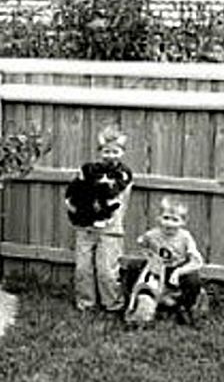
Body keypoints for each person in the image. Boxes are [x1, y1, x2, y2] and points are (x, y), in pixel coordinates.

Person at [65, 125, 133, 312]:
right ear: (100, 151)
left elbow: (111, 194)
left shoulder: (123, 175)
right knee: (83, 269)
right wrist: (76, 208)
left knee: (107, 271)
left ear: (122, 152)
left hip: (110, 229)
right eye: (106, 151)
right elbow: (75, 191)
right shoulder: (89, 171)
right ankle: (86, 303)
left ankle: (112, 304)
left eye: (115, 151)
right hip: (85, 226)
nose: (111, 155)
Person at [135, 196, 204, 324]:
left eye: (175, 220)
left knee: (193, 281)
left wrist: (179, 272)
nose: (169, 223)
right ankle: (140, 305)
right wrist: (150, 258)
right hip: (158, 269)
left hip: (177, 268)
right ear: (159, 218)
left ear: (183, 222)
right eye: (166, 218)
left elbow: (197, 261)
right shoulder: (152, 235)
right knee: (137, 272)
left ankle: (184, 306)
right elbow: (142, 244)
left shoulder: (185, 237)